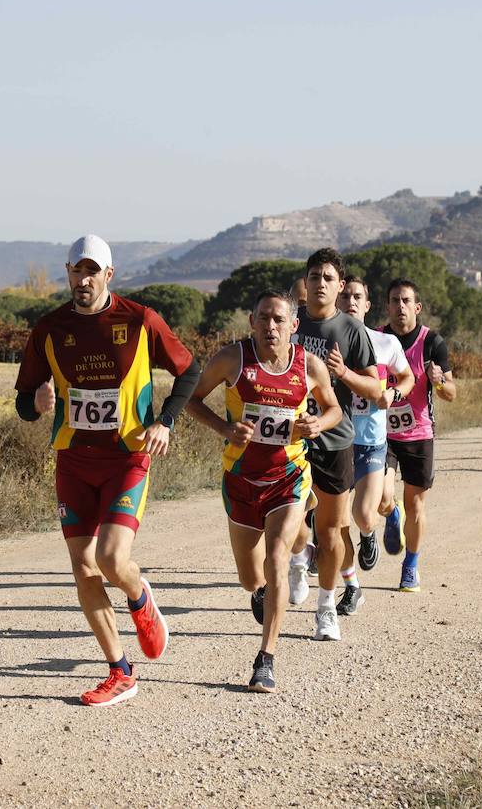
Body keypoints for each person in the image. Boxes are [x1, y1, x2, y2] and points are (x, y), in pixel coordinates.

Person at [14, 235, 201, 707]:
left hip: (127, 457)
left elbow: (190, 370)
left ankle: (140, 599)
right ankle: (120, 671)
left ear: (109, 275)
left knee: (113, 561)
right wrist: (34, 406)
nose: (84, 279)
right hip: (74, 462)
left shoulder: (139, 320)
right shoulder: (50, 328)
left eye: (92, 271)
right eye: (77, 270)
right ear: (68, 272)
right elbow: (24, 400)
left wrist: (166, 421)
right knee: (82, 567)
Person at [187, 290, 343, 693]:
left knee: (277, 556)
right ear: (251, 322)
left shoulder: (309, 366)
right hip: (240, 479)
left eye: (278, 320)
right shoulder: (232, 359)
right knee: (248, 576)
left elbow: (334, 409)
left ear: (294, 326)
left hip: (289, 477)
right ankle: (260, 591)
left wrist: (317, 425)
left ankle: (265, 659)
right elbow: (191, 399)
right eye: (262, 318)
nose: (270, 326)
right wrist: (225, 429)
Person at [286, 248, 381, 641]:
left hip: (335, 439)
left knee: (329, 532)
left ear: (340, 286)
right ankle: (296, 560)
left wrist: (346, 374)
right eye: (313, 276)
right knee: (290, 522)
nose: (319, 283)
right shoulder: (288, 323)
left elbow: (376, 389)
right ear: (304, 284)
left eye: (327, 278)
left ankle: (327, 608)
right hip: (288, 438)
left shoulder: (352, 331)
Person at [336, 277, 414, 616]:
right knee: (331, 521)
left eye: (358, 297)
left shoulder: (385, 343)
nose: (351, 302)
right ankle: (351, 586)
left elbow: (408, 377)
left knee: (366, 513)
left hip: (370, 442)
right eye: (346, 296)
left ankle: (370, 532)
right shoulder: (325, 342)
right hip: (333, 442)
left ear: (367, 305)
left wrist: (393, 394)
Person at [382, 278, 456, 593]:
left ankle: (411, 564)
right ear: (387, 306)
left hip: (418, 435)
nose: (400, 306)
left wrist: (438, 382)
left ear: (417, 307)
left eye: (406, 300)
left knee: (416, 505)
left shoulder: (432, 343)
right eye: (395, 300)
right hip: (382, 433)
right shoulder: (377, 339)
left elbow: (452, 393)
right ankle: (390, 511)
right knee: (381, 498)